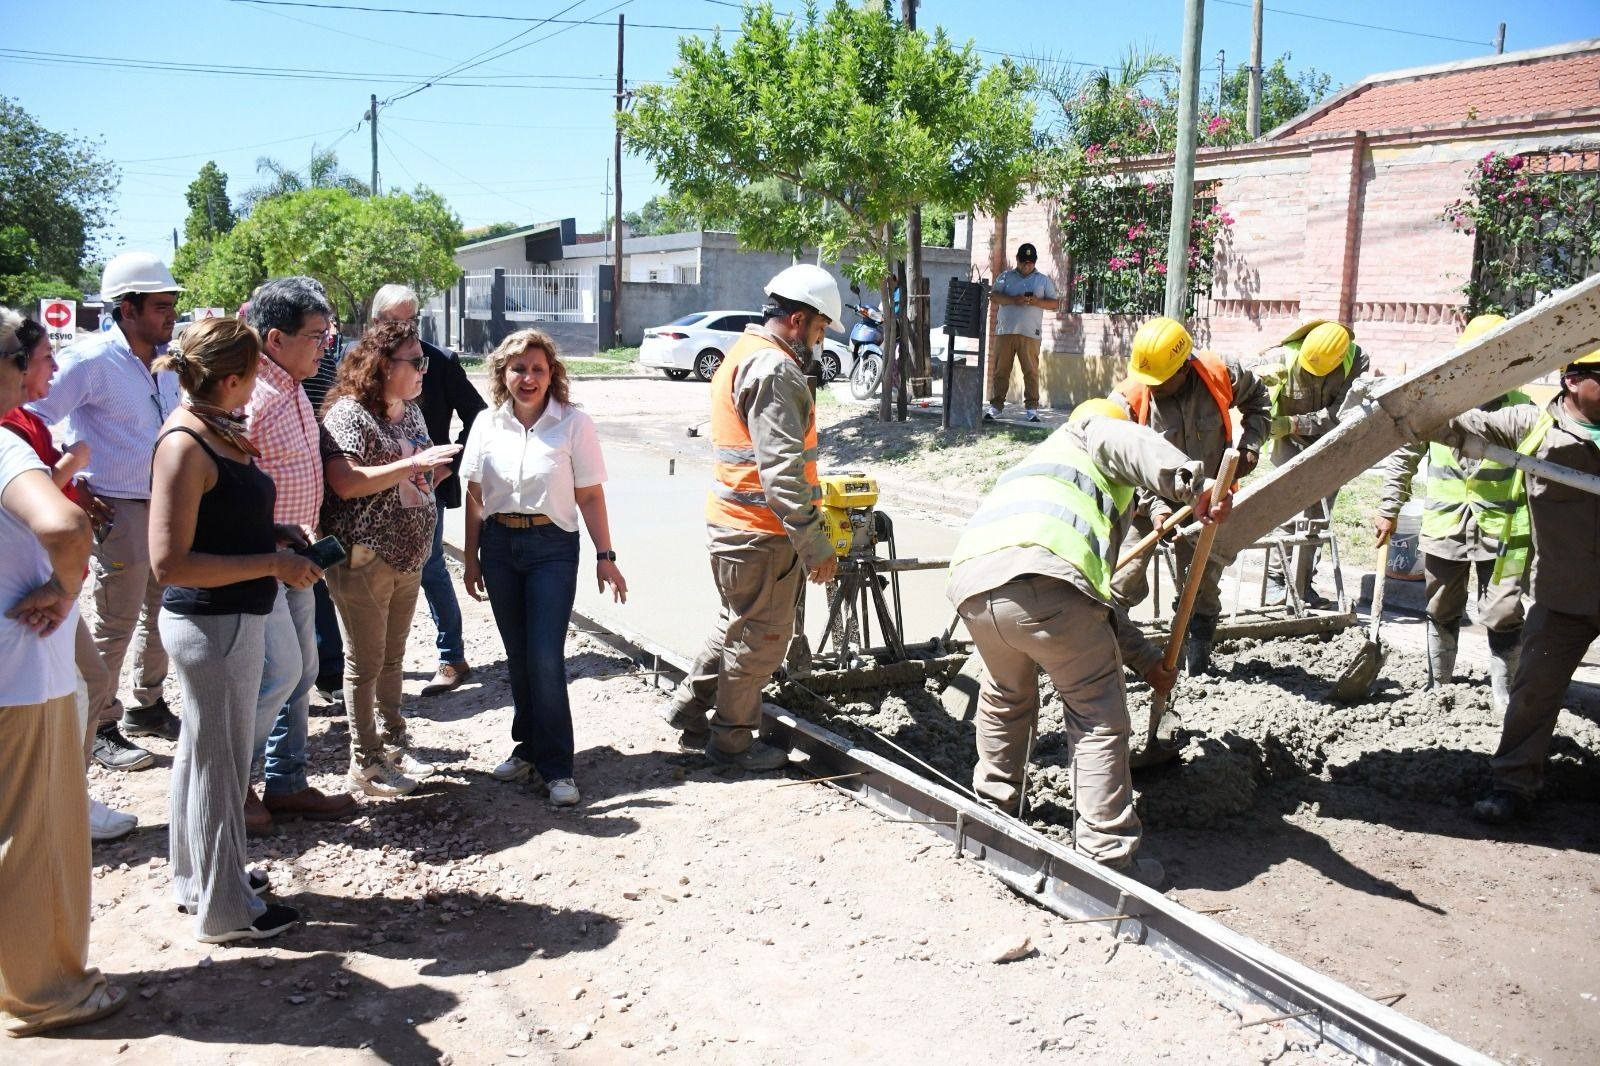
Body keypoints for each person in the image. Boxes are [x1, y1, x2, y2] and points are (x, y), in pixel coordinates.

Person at [947, 398, 1229, 886]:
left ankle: (991, 816)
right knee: (1096, 714)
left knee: (1005, 698)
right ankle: (1106, 857)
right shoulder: (1091, 433)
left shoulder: (1036, 468)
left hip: (975, 587)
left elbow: (1097, 614)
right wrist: (1192, 486)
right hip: (1044, 584)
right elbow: (1126, 442)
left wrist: (1148, 665)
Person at [149, 317, 316, 943]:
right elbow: (171, 561)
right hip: (212, 624)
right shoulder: (186, 444)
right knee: (221, 767)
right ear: (230, 378)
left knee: (202, 754)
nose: (258, 390)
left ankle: (200, 879)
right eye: (253, 378)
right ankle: (227, 911)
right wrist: (274, 562)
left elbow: (217, 524)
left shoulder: (213, 432)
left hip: (229, 619)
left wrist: (273, 537)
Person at [0, 309, 128, 1036]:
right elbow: (63, 525)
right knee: (32, 839)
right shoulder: (4, 447)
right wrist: (65, 584)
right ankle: (45, 992)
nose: (31, 372)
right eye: (23, 358)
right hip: (19, 673)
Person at [662, 265, 841, 771]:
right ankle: (732, 745)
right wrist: (815, 544)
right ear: (799, 319)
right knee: (760, 640)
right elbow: (782, 472)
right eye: (821, 330)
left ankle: (690, 708)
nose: (820, 342)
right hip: (760, 533)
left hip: (734, 523)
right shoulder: (775, 369)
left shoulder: (742, 354)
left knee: (735, 623)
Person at [1423, 347, 1600, 826]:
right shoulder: (1533, 425)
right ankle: (1512, 786)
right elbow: (1455, 426)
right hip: (1565, 595)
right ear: (1573, 381)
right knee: (1534, 694)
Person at [30, 253, 186, 770]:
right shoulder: (90, 359)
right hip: (118, 506)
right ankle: (99, 723)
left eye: (172, 305)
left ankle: (148, 704)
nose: (169, 315)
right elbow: (33, 419)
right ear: (127, 307)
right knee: (117, 618)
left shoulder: (167, 361)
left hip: (165, 503)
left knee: (162, 609)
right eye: (161, 306)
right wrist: (72, 483)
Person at [461, 329, 624, 806]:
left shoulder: (574, 424)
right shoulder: (486, 424)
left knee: (546, 656)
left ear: (552, 374)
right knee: (517, 655)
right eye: (518, 369)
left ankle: (557, 767)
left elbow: (590, 495)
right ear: (502, 374)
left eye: (537, 369)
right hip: (499, 545)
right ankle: (527, 747)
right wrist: (471, 558)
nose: (528, 378)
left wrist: (605, 556)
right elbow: (474, 497)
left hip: (552, 546)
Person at [0, 313, 140, 839]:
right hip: (25, 619)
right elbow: (59, 522)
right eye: (41, 360)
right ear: (13, 367)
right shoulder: (10, 435)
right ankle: (65, 805)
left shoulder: (24, 421)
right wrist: (61, 588)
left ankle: (69, 798)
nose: (54, 367)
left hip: (33, 606)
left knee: (91, 682)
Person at [320, 320, 460, 798]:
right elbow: (347, 482)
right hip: (364, 558)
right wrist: (415, 465)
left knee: (393, 658)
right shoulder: (349, 415)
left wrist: (431, 474)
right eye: (415, 362)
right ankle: (365, 761)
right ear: (383, 365)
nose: (424, 370)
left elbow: (413, 479)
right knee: (364, 662)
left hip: (407, 556)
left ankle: (393, 742)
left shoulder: (412, 411)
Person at [243, 279, 359, 834]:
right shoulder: (251, 398)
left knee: (305, 669)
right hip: (262, 563)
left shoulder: (292, 384)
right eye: (316, 336)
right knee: (277, 673)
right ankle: (236, 784)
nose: (326, 346)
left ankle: (285, 783)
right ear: (275, 338)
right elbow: (229, 487)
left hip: (298, 557)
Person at [1376, 314, 1530, 711]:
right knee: (1441, 604)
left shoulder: (1523, 410)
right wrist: (1388, 507)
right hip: (1447, 524)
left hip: (1504, 530)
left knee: (1504, 610)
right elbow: (1403, 456)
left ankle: (1504, 693)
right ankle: (1437, 684)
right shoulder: (1436, 407)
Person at [1109, 315, 1270, 673]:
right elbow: (1119, 462)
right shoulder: (1129, 398)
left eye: (1163, 381)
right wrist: (1154, 510)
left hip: (1207, 502)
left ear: (1184, 366)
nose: (1154, 387)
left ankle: (1194, 663)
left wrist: (1252, 445)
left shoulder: (1219, 372)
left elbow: (1259, 398)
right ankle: (1103, 656)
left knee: (1200, 588)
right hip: (1145, 503)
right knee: (1120, 581)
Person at [371, 284, 486, 697]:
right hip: (370, 492)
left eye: (412, 321)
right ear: (376, 323)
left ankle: (452, 656)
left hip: (424, 487)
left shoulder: (439, 361)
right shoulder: (356, 362)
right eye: (396, 322)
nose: (406, 330)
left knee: (429, 566)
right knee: (373, 572)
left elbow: (478, 415)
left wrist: (450, 464)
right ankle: (375, 664)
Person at [1254, 321, 1370, 607]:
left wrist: (1293, 423)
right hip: (1287, 443)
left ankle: (1302, 586)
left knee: (1317, 516)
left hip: (1330, 443)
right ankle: (1275, 583)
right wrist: (1258, 381)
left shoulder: (1356, 361)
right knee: (1285, 513)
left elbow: (1342, 413)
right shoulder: (1281, 357)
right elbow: (1238, 382)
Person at [303, 314, 347, 703]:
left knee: (320, 579)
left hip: (321, 486)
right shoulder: (262, 385)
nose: (322, 344)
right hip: (290, 505)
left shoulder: (323, 363)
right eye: (314, 334)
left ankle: (330, 670)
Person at [985, 242, 1058, 424]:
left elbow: (1054, 304)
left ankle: (1032, 410)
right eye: (1024, 262)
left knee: (1031, 372)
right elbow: (993, 296)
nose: (1027, 265)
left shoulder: (1043, 280)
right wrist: (1013, 300)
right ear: (1017, 260)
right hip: (1005, 331)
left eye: (1031, 262)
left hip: (1030, 334)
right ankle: (996, 407)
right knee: (1001, 370)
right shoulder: (1005, 277)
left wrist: (1036, 302)